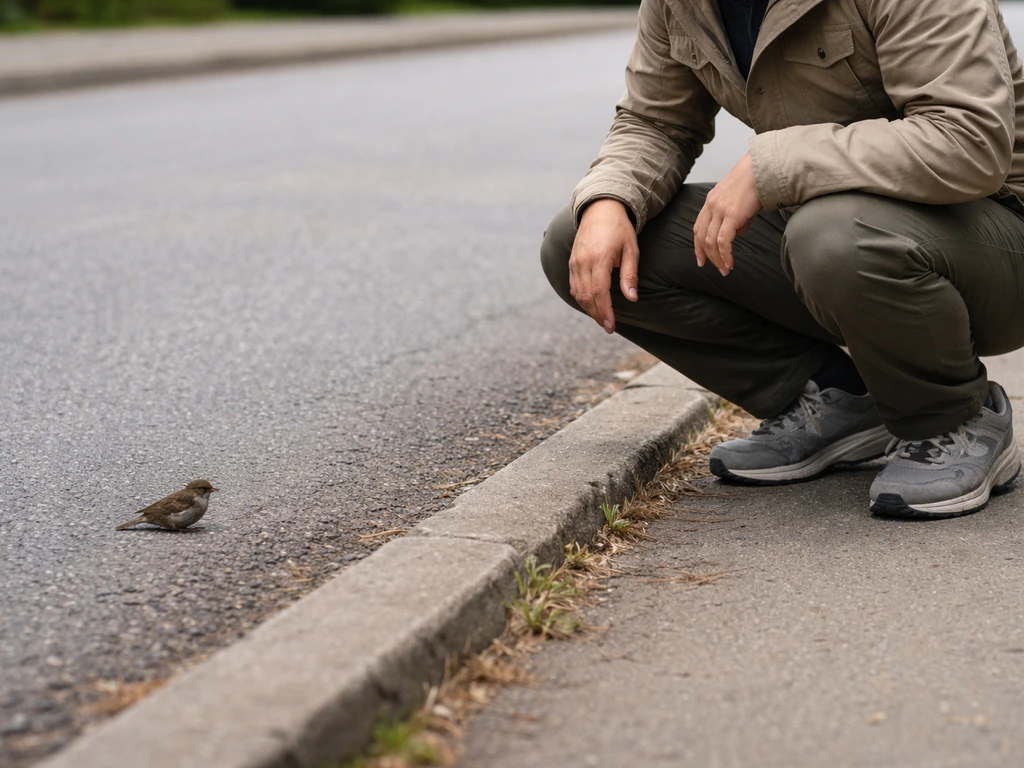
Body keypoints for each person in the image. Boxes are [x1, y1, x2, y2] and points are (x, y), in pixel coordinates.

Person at [542, 0, 1024, 519]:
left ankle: (952, 419)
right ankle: (836, 401)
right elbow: (656, 120)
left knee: (835, 235)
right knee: (582, 242)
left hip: (995, 238)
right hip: (832, 231)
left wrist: (771, 165)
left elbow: (967, 139)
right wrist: (610, 200)